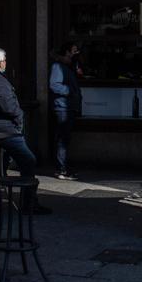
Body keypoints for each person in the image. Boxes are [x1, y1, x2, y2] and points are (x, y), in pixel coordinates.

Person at [0, 47, 51, 214]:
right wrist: (19, 116)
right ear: (0, 62)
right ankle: (28, 204)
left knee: (3, 161)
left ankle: (3, 190)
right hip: (3, 129)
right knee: (28, 160)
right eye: (5, 60)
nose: (6, 63)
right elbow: (8, 105)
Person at [49, 42, 82, 180]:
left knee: (64, 139)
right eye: (73, 51)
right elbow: (54, 85)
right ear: (67, 52)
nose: (75, 54)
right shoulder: (58, 66)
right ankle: (61, 169)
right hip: (62, 108)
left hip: (68, 107)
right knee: (62, 139)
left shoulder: (68, 67)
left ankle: (62, 167)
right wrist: (71, 91)